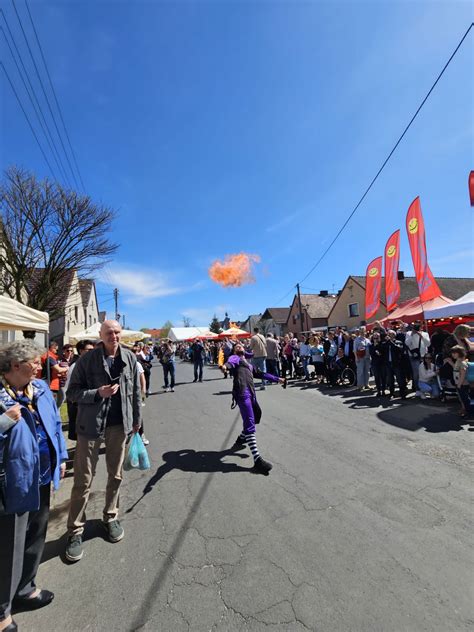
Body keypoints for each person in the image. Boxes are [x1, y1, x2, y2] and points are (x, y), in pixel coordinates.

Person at [0, 341, 67, 631]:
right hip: (13, 482)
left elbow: (54, 427)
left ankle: (26, 588)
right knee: (9, 546)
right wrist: (3, 422)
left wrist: (61, 458)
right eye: (35, 362)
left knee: (37, 533)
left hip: (42, 475)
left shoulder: (39, 389)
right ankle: (2, 610)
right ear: (16, 366)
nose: (41, 366)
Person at [65, 320, 141, 563]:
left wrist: (137, 420)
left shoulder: (129, 357)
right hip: (90, 427)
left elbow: (135, 392)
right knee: (82, 479)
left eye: (117, 332)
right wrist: (98, 393)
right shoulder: (86, 360)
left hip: (120, 426)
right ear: (101, 335)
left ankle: (111, 516)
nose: (114, 336)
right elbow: (72, 393)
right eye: (109, 333)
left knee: (116, 474)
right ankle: (76, 530)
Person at [222, 343, 286, 474]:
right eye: (237, 346)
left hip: (251, 394)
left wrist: (278, 379)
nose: (239, 347)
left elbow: (262, 374)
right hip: (242, 393)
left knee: (256, 416)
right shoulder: (235, 358)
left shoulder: (249, 365)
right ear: (234, 350)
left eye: (241, 346)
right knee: (250, 422)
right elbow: (229, 364)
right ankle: (257, 460)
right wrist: (224, 367)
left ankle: (241, 438)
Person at [65, 339, 95, 441]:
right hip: (78, 404)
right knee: (80, 436)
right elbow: (69, 388)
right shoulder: (75, 366)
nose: (92, 352)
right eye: (89, 350)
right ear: (81, 351)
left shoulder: (90, 365)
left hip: (88, 404)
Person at [405, 322, 430, 392]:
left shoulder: (425, 334)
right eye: (415, 326)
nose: (416, 328)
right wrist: (412, 335)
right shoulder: (409, 333)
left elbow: (428, 344)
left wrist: (421, 336)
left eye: (418, 327)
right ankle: (417, 389)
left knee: (425, 372)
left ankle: (425, 388)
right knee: (416, 373)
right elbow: (407, 343)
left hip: (424, 356)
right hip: (414, 356)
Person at [382, 330, 407, 399]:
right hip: (388, 364)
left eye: (391, 334)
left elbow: (399, 349)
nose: (389, 335)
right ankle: (391, 393)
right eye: (388, 334)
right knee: (390, 380)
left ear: (394, 335)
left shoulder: (399, 342)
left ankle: (402, 393)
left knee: (399, 379)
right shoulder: (385, 343)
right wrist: (387, 342)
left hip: (397, 364)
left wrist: (391, 342)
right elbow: (382, 350)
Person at [451, 345, 471, 417]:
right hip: (459, 383)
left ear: (459, 353)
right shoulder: (458, 361)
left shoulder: (461, 362)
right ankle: (466, 411)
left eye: (455, 353)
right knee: (462, 398)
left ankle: (469, 413)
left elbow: (463, 373)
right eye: (452, 353)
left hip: (463, 384)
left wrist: (459, 384)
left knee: (465, 399)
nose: (453, 354)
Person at [369, 331, 386, 397]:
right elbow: (371, 353)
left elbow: (383, 353)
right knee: (377, 377)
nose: (375, 339)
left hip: (382, 363)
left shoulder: (383, 344)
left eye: (377, 338)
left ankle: (383, 390)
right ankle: (379, 391)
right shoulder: (371, 345)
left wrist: (378, 346)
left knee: (383, 377)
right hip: (375, 363)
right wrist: (375, 347)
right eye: (374, 338)